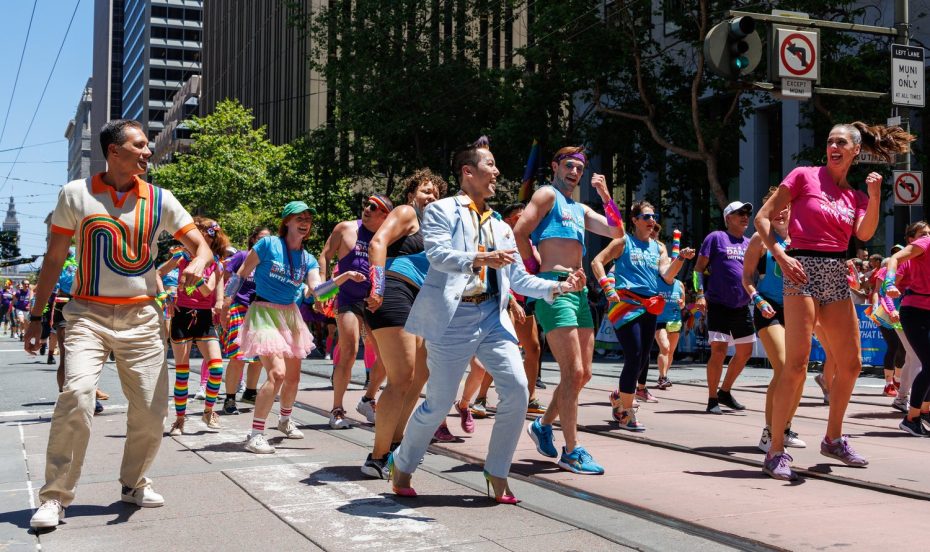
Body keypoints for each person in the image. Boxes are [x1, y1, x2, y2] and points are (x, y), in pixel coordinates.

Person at [25, 119, 212, 529]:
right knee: (75, 393)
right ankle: (56, 496)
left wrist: (198, 263)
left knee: (150, 409)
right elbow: (54, 257)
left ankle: (133, 483)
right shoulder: (76, 194)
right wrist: (36, 317)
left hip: (143, 318)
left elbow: (200, 246)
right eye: (140, 145)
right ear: (114, 151)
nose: (148, 152)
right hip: (86, 315)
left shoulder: (161, 199)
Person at [388, 137, 585, 502]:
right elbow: (438, 256)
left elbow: (518, 279)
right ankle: (402, 462)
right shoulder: (442, 210)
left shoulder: (500, 225)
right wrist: (480, 258)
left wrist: (559, 288)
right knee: (438, 403)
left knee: (517, 390)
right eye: (490, 165)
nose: (496, 172)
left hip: (493, 317)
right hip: (454, 317)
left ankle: (497, 472)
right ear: (468, 171)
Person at [756, 121, 913, 480]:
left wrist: (874, 196)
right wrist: (780, 256)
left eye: (841, 142)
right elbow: (763, 218)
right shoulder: (803, 176)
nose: (833, 146)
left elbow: (864, 233)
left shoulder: (855, 196)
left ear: (856, 150)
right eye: (830, 141)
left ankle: (834, 438)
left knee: (853, 363)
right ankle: (776, 448)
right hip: (802, 269)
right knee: (796, 365)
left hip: (836, 272)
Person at [514, 146, 621, 475]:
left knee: (583, 374)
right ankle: (572, 450)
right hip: (554, 289)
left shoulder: (581, 208)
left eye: (580, 168)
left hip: (580, 291)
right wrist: (533, 273)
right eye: (569, 166)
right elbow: (519, 232)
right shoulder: (547, 195)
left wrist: (606, 196)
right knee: (572, 373)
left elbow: (618, 232)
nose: (575, 172)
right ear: (556, 167)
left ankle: (543, 425)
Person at [237, 201, 365, 454]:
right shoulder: (267, 244)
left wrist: (344, 277)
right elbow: (241, 273)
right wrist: (224, 304)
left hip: (290, 316)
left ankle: (284, 420)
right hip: (264, 311)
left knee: (294, 377)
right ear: (287, 221)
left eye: (308, 218)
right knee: (278, 374)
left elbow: (318, 291)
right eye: (300, 217)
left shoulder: (307, 259)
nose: (305, 222)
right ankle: (255, 434)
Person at [360, 169, 446, 477]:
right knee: (401, 378)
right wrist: (377, 285)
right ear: (411, 194)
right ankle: (377, 457)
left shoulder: (436, 229)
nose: (431, 196)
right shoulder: (406, 213)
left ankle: (397, 446)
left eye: (436, 193)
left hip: (418, 303)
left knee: (419, 376)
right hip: (394, 291)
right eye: (425, 190)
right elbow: (377, 243)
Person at [591, 201, 694, 431]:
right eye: (646, 217)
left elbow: (667, 276)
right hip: (625, 304)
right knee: (635, 354)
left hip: (650, 307)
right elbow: (597, 262)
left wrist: (681, 259)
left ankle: (620, 396)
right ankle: (626, 413)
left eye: (653, 216)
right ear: (635, 220)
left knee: (643, 357)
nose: (651, 221)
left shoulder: (659, 248)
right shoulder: (623, 242)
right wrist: (607, 287)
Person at [319, 195, 392, 429]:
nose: (367, 209)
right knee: (350, 350)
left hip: (374, 301)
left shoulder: (389, 236)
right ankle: (337, 409)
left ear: (385, 216)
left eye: (374, 207)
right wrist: (323, 289)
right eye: (367, 204)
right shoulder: (346, 228)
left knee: (387, 357)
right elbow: (325, 255)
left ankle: (368, 399)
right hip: (348, 298)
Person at [741, 187, 806, 453]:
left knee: (799, 373)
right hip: (770, 309)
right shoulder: (760, 238)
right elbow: (746, 277)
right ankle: (770, 432)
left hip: (799, 309)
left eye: (784, 207)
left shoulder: (803, 236)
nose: (780, 212)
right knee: (782, 367)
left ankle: (785, 427)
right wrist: (758, 299)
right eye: (774, 207)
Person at [157, 217, 229, 435]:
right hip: (181, 316)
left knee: (216, 367)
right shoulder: (181, 256)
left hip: (204, 318)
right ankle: (179, 420)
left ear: (208, 235)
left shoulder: (216, 262)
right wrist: (164, 296)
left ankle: (209, 411)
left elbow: (208, 291)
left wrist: (193, 275)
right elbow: (157, 274)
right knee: (182, 372)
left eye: (197, 232)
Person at [693, 201, 755, 414]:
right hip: (718, 303)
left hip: (742, 305)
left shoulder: (749, 243)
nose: (745, 216)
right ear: (728, 217)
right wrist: (700, 294)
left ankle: (725, 392)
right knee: (718, 351)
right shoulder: (716, 238)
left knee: (745, 351)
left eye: (747, 213)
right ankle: (712, 399)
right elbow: (697, 269)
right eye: (740, 213)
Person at [884, 221, 930, 435]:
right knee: (922, 362)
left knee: (921, 363)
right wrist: (889, 283)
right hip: (914, 312)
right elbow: (894, 259)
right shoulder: (925, 245)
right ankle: (911, 417)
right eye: (922, 234)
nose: (925, 236)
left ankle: (923, 411)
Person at [220, 226, 272, 414]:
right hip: (238, 308)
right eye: (261, 238)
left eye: (269, 238)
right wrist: (223, 304)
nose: (265, 242)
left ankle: (250, 392)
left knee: (260, 356)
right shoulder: (242, 256)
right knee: (238, 357)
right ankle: (230, 399)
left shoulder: (269, 261)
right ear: (253, 240)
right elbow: (226, 277)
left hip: (260, 310)